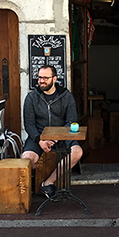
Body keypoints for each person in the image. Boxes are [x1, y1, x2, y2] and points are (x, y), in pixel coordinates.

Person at [21, 65, 83, 199]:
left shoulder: (66, 96)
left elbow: (71, 120)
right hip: (38, 136)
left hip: (62, 135)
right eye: (39, 77)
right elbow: (29, 124)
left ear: (54, 79)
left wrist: (57, 137)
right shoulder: (31, 97)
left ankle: (48, 183)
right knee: (27, 158)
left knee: (77, 152)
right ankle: (29, 189)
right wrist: (40, 140)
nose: (41, 81)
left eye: (45, 78)